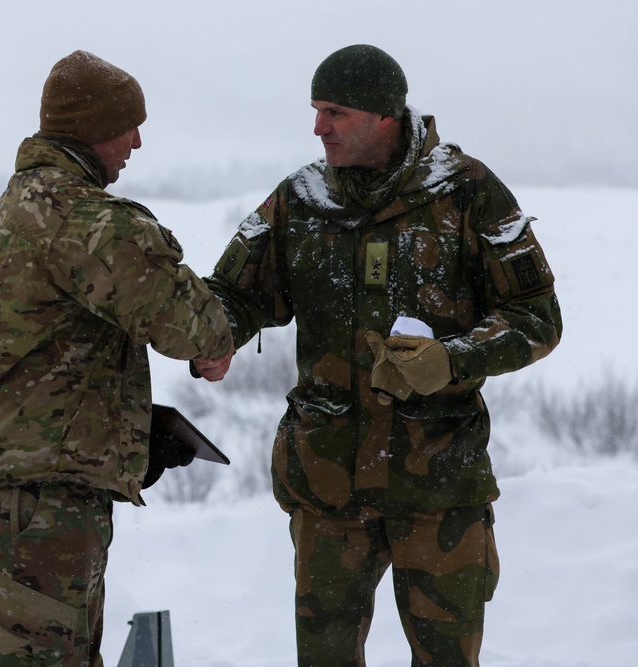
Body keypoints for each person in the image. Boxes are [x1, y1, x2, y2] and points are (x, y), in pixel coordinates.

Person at [195, 44, 562, 666]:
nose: (318, 128)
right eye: (316, 111)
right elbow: (235, 294)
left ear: (384, 116)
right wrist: (215, 335)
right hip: (327, 485)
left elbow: (538, 317)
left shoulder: (468, 192)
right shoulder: (301, 197)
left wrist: (451, 358)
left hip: (438, 485)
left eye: (335, 112)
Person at [0, 50, 233, 667]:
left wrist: (124, 437)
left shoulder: (21, 208)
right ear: (90, 128)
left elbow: (40, 370)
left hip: (13, 497)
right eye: (127, 125)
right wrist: (220, 342)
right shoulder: (78, 217)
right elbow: (185, 319)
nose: (136, 140)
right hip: (38, 510)